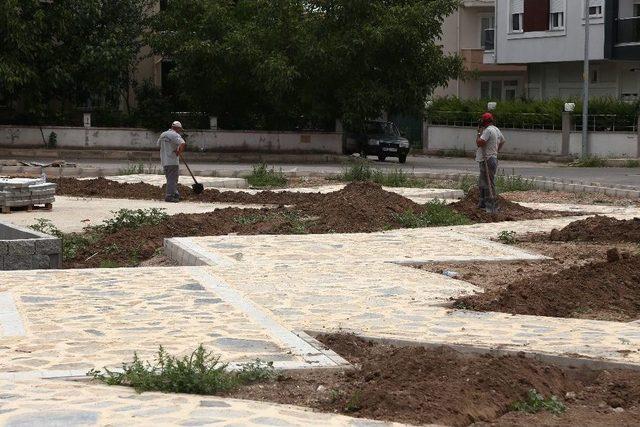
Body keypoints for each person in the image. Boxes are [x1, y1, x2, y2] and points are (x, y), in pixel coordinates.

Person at [475, 112, 506, 211]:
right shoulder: (496, 129)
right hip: (492, 158)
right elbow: (502, 141)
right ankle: (482, 203)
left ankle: (490, 206)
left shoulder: (487, 130)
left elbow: (480, 143)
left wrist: (478, 133)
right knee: (483, 182)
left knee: (488, 183)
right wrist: (495, 151)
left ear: (484, 122)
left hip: (487, 160)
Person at [157, 121, 186, 203]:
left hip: (164, 161)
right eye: (180, 129)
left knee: (170, 179)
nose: (180, 131)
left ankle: (175, 194)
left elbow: (158, 145)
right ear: (178, 128)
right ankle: (169, 196)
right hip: (172, 161)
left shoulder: (163, 134)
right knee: (172, 179)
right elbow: (183, 143)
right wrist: (179, 152)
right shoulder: (175, 135)